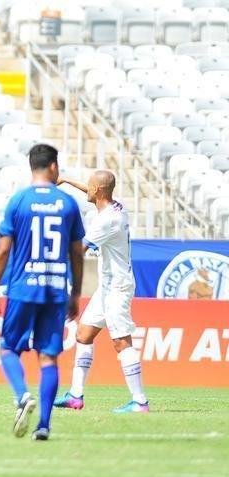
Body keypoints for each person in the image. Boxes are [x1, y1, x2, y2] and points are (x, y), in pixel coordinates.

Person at [0, 144, 85, 441]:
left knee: (8, 348)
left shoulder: (19, 201)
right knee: (48, 358)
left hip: (22, 287)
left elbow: (4, 248)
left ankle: (21, 397)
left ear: (33, 167)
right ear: (53, 167)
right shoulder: (68, 203)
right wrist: (76, 292)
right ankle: (43, 424)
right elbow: (77, 252)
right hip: (55, 289)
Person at [54, 171, 148, 413]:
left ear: (97, 192)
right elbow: (92, 190)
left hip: (118, 286)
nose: (87, 189)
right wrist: (65, 179)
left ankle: (139, 401)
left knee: (121, 342)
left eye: (90, 187)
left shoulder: (105, 221)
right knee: (83, 335)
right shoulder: (117, 206)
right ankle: (75, 395)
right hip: (107, 287)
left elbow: (79, 252)